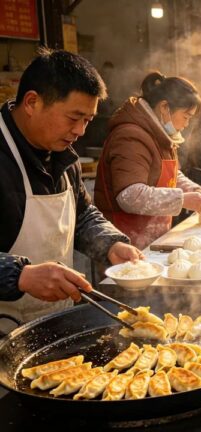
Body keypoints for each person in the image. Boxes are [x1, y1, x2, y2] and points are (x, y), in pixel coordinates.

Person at [0, 49, 142, 323]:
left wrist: (110, 244)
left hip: (53, 321)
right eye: (73, 118)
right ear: (31, 102)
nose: (80, 131)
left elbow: (82, 215)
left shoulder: (63, 154)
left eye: (87, 120)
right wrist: (19, 275)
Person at [94, 72, 201, 250]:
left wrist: (194, 191)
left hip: (152, 240)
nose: (187, 124)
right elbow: (130, 195)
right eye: (186, 116)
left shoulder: (160, 134)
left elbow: (169, 174)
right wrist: (182, 199)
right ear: (164, 107)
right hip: (123, 244)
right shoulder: (130, 135)